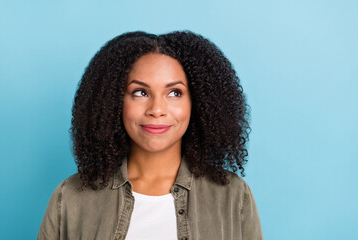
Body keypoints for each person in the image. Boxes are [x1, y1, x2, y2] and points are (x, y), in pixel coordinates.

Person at [37, 31, 263, 240]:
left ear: (198, 103)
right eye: (140, 92)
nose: (156, 109)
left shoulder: (233, 196)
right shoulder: (71, 197)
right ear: (115, 101)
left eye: (175, 93)